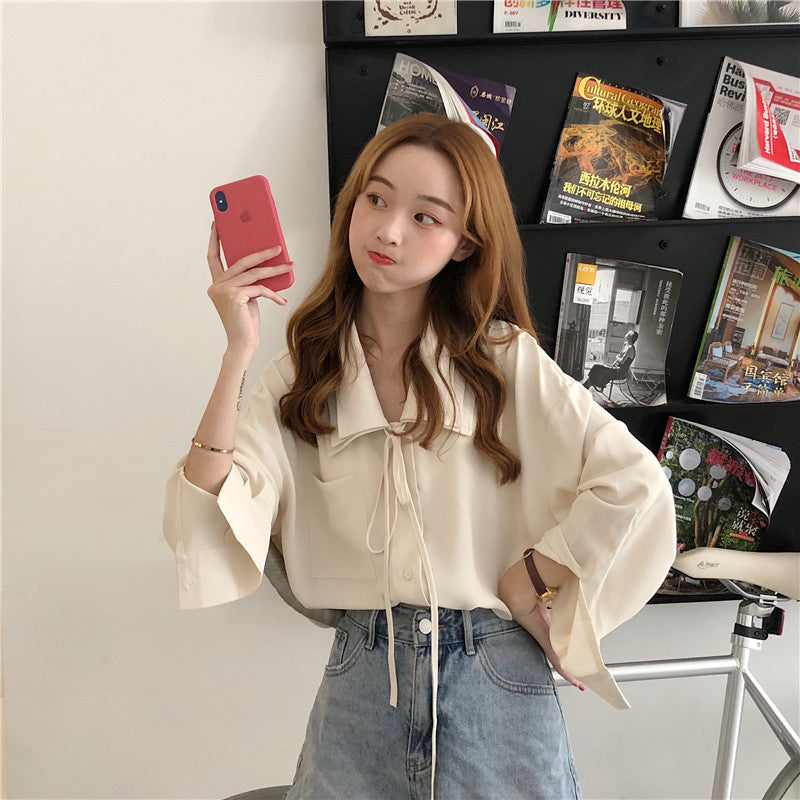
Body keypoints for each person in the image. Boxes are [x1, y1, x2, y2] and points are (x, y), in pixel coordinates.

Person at [163, 113, 676, 800]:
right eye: (375, 199)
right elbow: (209, 509)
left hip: (495, 674)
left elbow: (635, 486)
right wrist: (239, 349)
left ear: (465, 243)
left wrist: (529, 577)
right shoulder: (303, 376)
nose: (388, 230)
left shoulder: (503, 361)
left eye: (425, 217)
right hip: (363, 680)